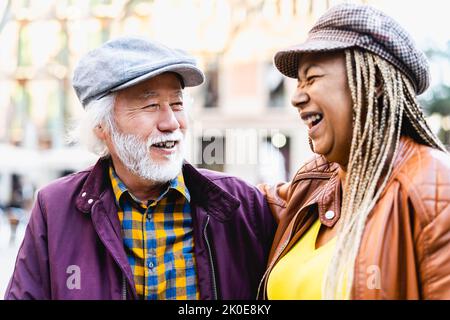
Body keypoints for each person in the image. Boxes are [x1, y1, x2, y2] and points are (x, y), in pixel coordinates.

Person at [5, 37, 276, 300]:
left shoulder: (242, 204)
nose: (171, 122)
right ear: (102, 126)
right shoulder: (55, 207)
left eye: (177, 104)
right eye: (151, 106)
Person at [258, 3, 450, 300]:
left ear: (373, 83)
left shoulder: (433, 186)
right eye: (298, 83)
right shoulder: (313, 183)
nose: (296, 97)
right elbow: (232, 201)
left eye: (312, 78)